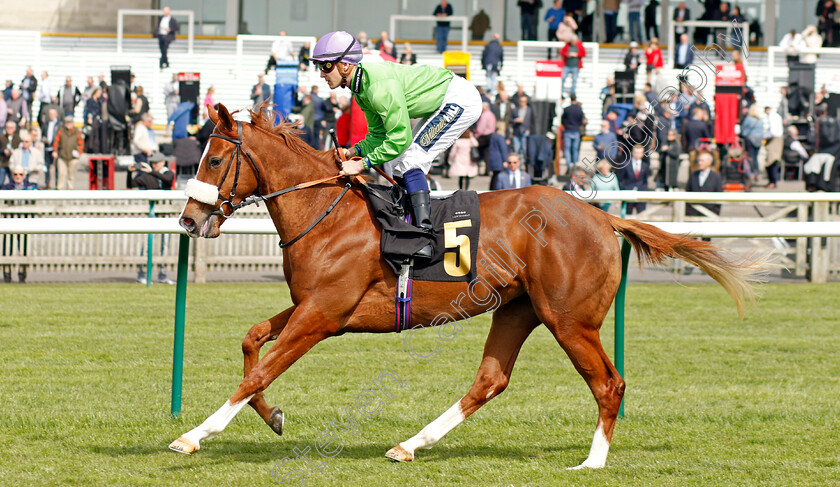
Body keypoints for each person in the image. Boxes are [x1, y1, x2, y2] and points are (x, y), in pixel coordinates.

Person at [311, 31, 481, 257]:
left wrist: (362, 165)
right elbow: (379, 135)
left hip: (459, 99)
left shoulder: (376, 87)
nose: (321, 74)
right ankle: (407, 225)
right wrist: (352, 151)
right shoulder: (361, 89)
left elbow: (400, 138)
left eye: (325, 66)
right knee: (401, 161)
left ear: (344, 65)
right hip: (443, 100)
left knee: (411, 159)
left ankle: (423, 237)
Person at [134, 155, 176, 285]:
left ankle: (162, 274)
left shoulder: (167, 173)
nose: (154, 165)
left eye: (156, 163)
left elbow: (167, 179)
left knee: (164, 244)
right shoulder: (149, 175)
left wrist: (152, 172)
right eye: (152, 163)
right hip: (153, 213)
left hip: (165, 213)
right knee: (147, 245)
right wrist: (130, 172)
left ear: (163, 162)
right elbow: (132, 184)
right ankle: (142, 274)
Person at [1, 165, 37, 283]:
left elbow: (38, 192)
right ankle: (7, 273)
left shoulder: (30, 187)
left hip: (24, 222)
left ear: (24, 176)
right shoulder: (6, 187)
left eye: (20, 175)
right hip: (9, 222)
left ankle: (22, 274)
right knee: (8, 249)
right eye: (15, 174)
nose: (18, 177)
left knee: (23, 248)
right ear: (12, 175)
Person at [686, 151, 723, 217]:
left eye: (702, 161)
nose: (700, 163)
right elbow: (687, 193)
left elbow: (719, 196)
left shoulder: (716, 177)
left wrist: (715, 214)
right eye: (699, 161)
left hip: (709, 214)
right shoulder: (693, 175)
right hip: (693, 215)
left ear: (709, 162)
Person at [52, 115, 83, 190]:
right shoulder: (61, 131)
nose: (68, 124)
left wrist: (79, 153)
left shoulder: (77, 132)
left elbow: (81, 144)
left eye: (70, 122)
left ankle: (70, 191)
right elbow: (56, 142)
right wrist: (55, 151)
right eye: (67, 122)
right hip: (62, 157)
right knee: (61, 175)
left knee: (71, 176)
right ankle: (60, 190)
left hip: (73, 158)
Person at [619, 145, 650, 214]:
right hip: (628, 194)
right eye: (636, 152)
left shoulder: (645, 165)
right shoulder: (625, 164)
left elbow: (645, 181)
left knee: (642, 216)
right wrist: (623, 191)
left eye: (639, 153)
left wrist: (644, 192)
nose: (637, 154)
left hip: (641, 194)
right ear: (632, 153)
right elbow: (620, 180)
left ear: (642, 154)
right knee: (627, 217)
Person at [561, 93, 586, 169]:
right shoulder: (579, 109)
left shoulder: (567, 109)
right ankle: (574, 164)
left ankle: (568, 165)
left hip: (568, 130)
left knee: (567, 149)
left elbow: (563, 120)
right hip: (576, 130)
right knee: (575, 149)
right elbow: (581, 120)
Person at [763, 106, 784, 188]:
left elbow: (773, 132)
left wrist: (764, 136)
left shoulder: (772, 117)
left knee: (772, 161)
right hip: (775, 139)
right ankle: (772, 181)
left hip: (774, 140)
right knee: (771, 161)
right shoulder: (776, 116)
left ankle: (773, 181)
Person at [487, 121, 509, 190]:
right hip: (499, 158)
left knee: (494, 175)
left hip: (492, 157)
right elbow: (503, 149)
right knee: (498, 176)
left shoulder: (493, 135)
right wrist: (505, 160)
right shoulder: (500, 137)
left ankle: (491, 189)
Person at [41, 108, 60, 187]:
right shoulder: (46, 123)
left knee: (56, 168)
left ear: (56, 115)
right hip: (47, 148)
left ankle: (56, 184)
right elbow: (43, 134)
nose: (51, 116)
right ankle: (47, 183)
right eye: (50, 114)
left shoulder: (59, 124)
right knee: (47, 167)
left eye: (53, 114)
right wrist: (44, 139)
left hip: (55, 148)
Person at [1, 120, 21, 185]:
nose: (9, 129)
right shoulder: (1, 137)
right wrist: (3, 151)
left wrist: (14, 152)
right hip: (3, 163)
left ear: (14, 129)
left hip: (13, 163)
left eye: (11, 128)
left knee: (13, 182)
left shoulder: (17, 138)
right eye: (8, 127)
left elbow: (20, 149)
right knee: (0, 181)